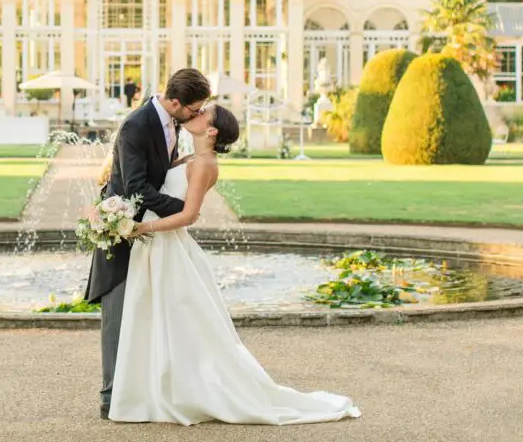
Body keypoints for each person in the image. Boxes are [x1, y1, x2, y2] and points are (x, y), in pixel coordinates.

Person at [107, 104, 362, 425]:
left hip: (165, 244)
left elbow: (189, 215)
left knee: (176, 321)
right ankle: (152, 390)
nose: (195, 114)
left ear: (211, 130)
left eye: (203, 114)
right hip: (158, 246)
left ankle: (176, 392)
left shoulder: (204, 165)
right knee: (157, 318)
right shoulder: (190, 158)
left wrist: (141, 228)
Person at [85, 67, 213, 421]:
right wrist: (185, 211)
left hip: (148, 230)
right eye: (193, 109)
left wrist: (180, 163)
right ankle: (111, 396)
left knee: (145, 313)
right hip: (123, 227)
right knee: (117, 309)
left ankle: (142, 389)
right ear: (175, 101)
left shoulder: (170, 121)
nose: (197, 115)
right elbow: (136, 187)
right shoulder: (137, 125)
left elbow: (157, 168)